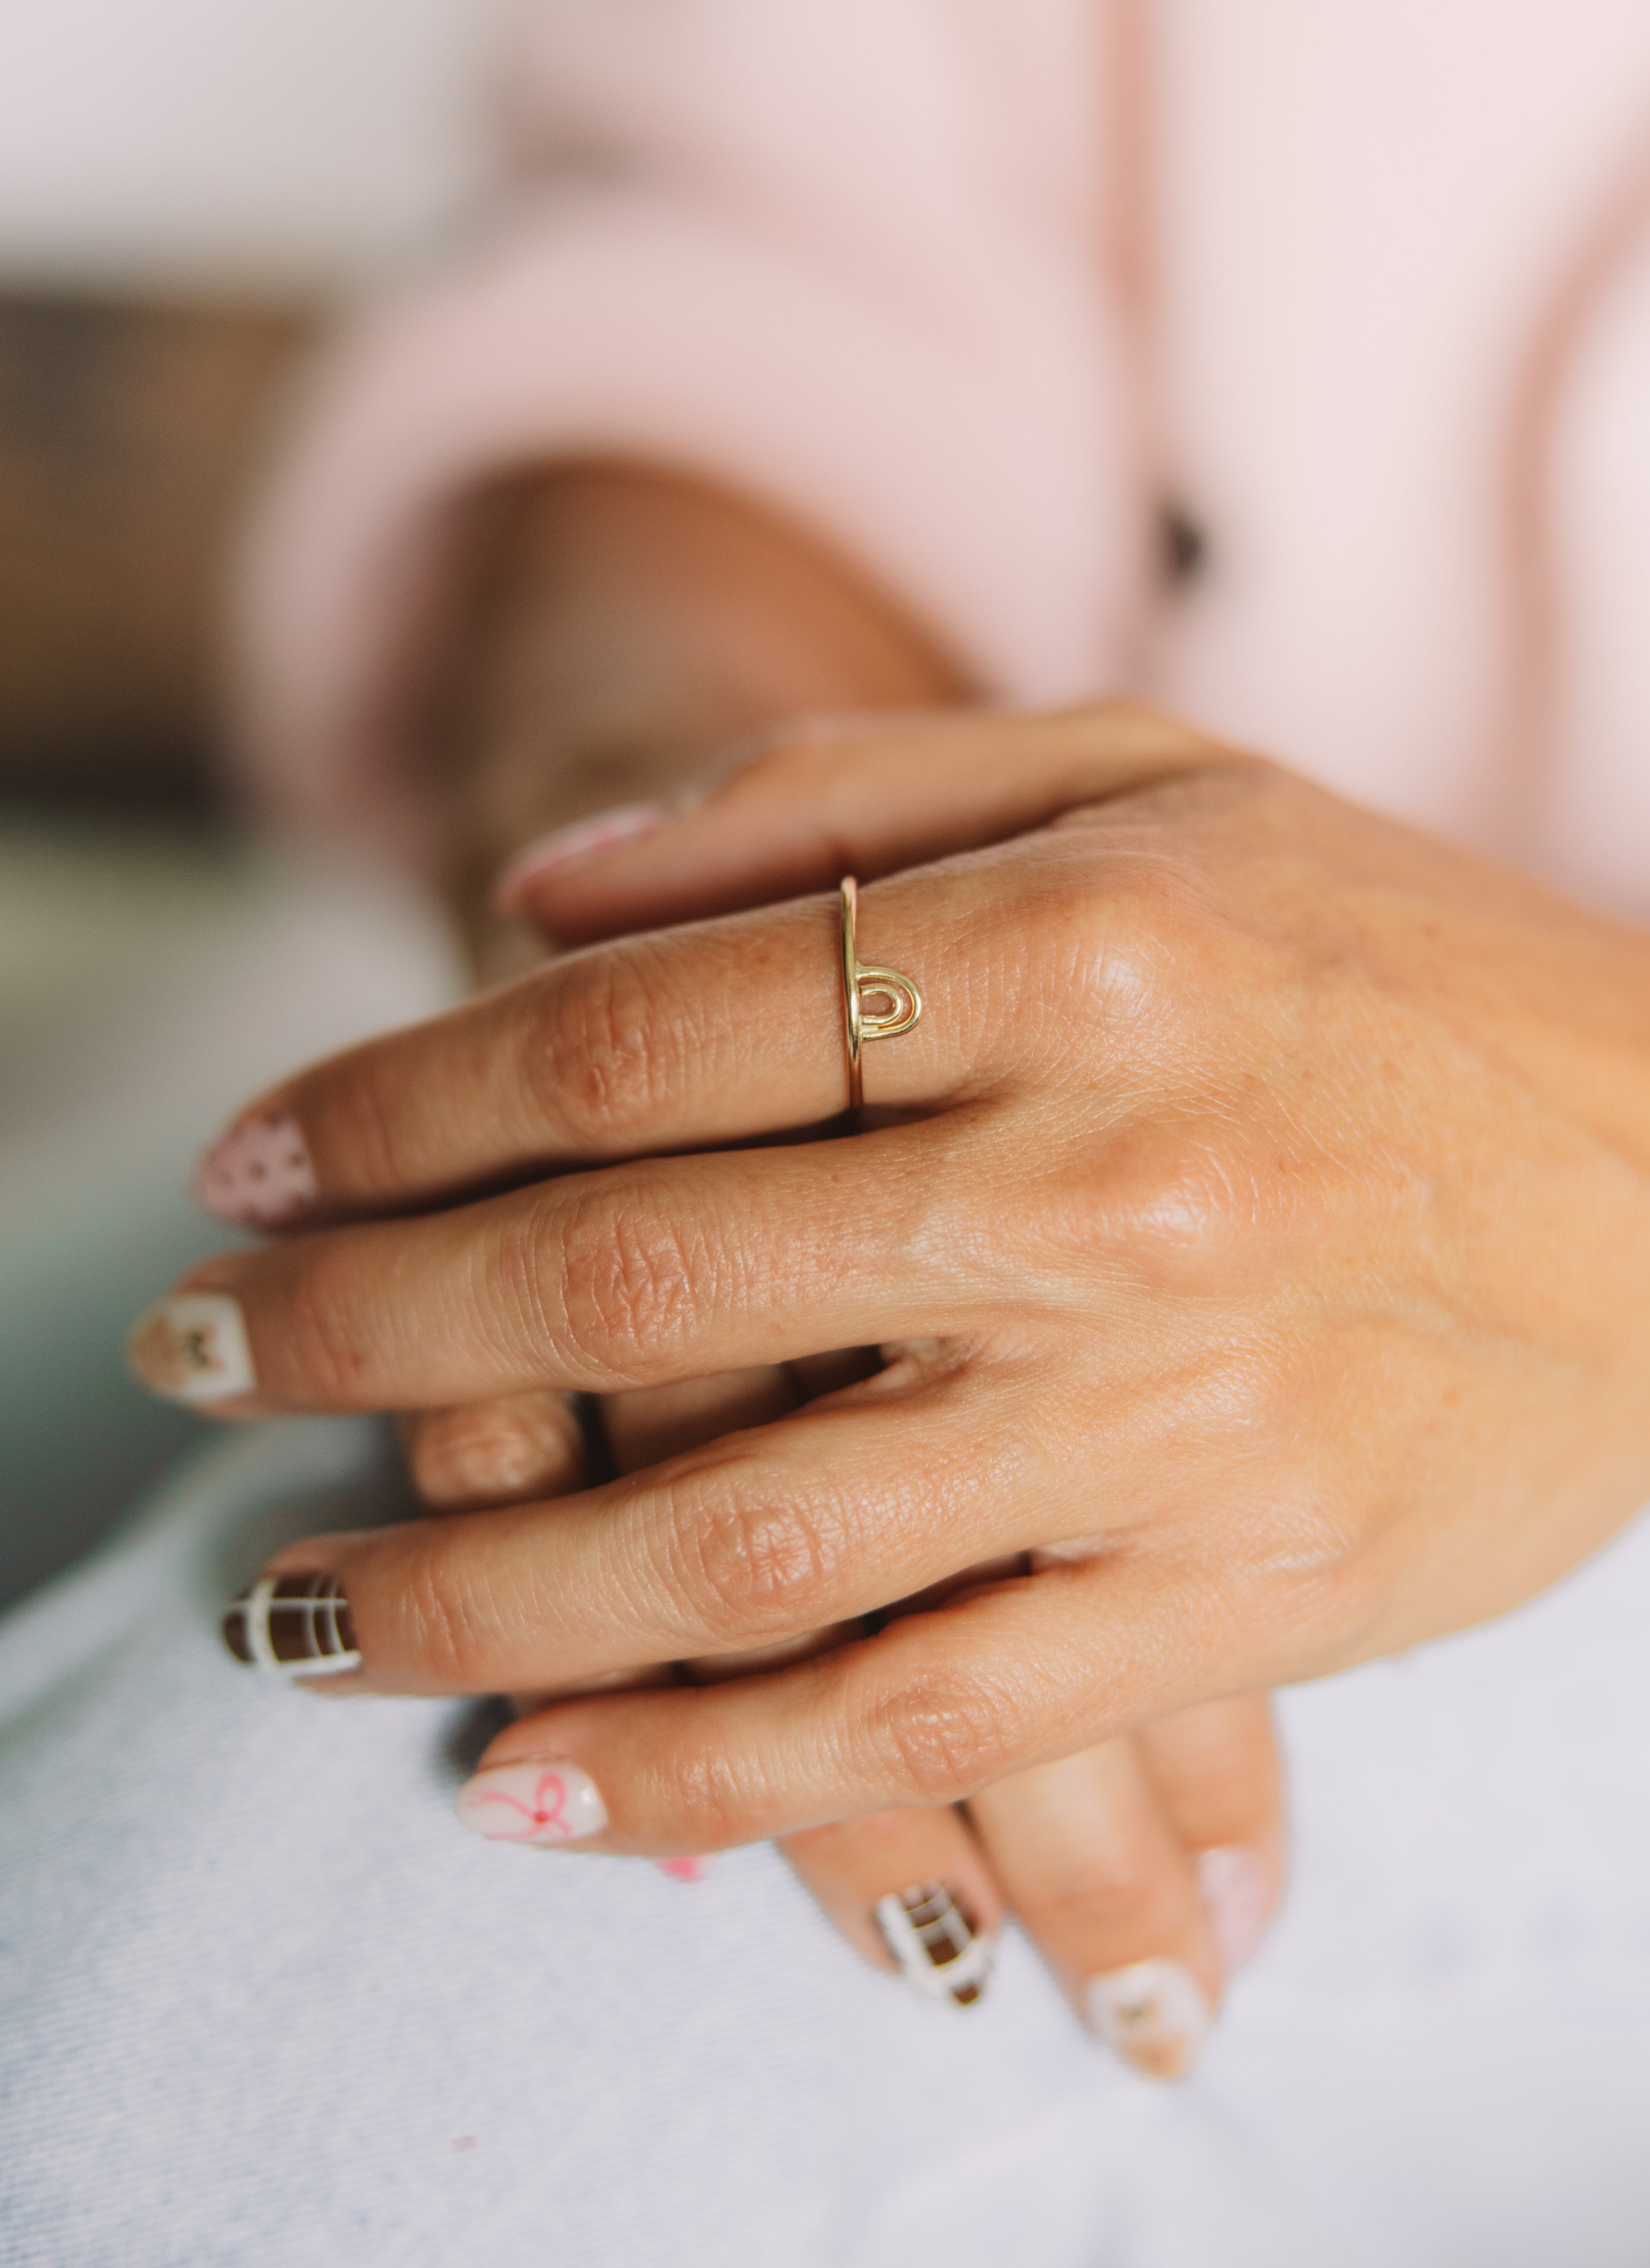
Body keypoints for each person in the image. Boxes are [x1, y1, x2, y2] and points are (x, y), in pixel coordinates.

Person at [9, 6, 1650, 2261]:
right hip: (1095, 1080)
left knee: (271, 2011)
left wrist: (1598, 1143)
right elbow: (783, 251)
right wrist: (700, 903)